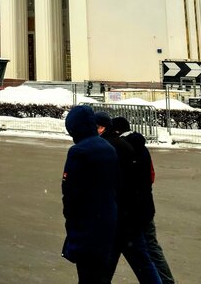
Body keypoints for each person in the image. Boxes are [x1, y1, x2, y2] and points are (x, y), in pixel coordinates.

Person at [94, 111, 161, 284]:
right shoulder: (131, 146)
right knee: (145, 260)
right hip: (135, 212)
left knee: (143, 259)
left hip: (123, 216)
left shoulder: (112, 148)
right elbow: (148, 177)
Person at [112, 116, 175, 284]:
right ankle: (166, 281)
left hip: (131, 211)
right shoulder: (141, 147)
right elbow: (151, 176)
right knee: (151, 249)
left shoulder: (122, 149)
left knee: (137, 252)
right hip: (145, 207)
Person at [62, 105, 120, 284]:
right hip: (107, 220)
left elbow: (70, 192)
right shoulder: (107, 147)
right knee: (99, 275)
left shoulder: (78, 151)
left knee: (86, 275)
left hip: (86, 222)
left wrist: (71, 219)